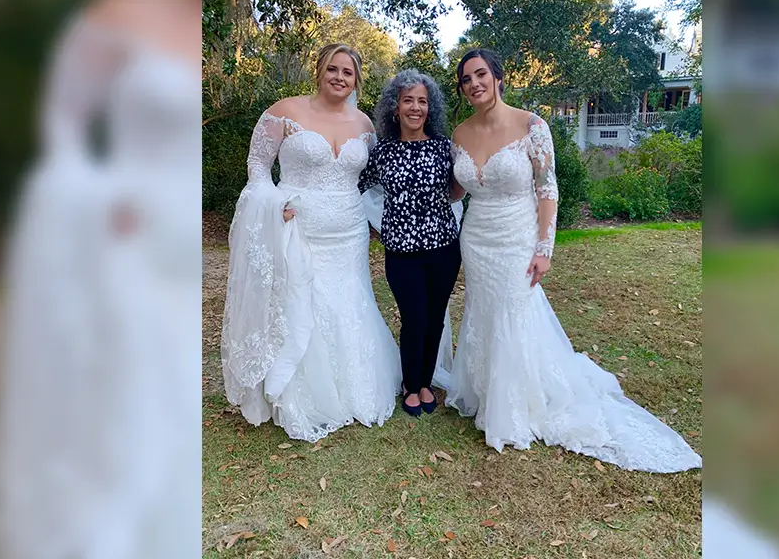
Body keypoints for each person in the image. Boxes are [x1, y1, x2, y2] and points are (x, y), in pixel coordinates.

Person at [0, 0, 203, 559]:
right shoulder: (120, 11)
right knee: (132, 389)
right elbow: (62, 115)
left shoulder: (214, 26)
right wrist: (89, 194)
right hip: (130, 232)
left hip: (186, 238)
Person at [444, 48, 702, 473]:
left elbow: (548, 190)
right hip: (476, 239)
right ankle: (488, 392)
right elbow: (457, 189)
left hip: (516, 237)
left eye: (480, 74)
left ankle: (516, 405)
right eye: (466, 79)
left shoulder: (532, 126)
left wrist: (544, 249)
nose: (474, 84)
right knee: (485, 311)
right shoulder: (460, 133)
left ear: (498, 77)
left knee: (514, 311)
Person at [221, 43, 402, 442]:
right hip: (298, 229)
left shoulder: (366, 125)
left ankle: (351, 386)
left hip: (349, 233)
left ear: (356, 80)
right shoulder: (285, 112)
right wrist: (273, 203)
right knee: (302, 302)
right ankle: (298, 393)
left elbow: (369, 179)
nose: (340, 77)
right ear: (319, 70)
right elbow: (257, 168)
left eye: (348, 72)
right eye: (333, 69)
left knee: (348, 302)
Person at [358, 69, 462, 416]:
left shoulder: (444, 148)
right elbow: (354, 187)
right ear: (395, 108)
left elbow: (459, 187)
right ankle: (409, 383)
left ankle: (425, 382)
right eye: (408, 101)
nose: (416, 108)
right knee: (414, 318)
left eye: (422, 101)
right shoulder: (382, 152)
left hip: (444, 249)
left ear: (430, 109)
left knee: (434, 319)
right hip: (401, 252)